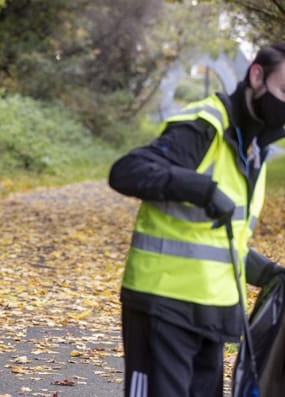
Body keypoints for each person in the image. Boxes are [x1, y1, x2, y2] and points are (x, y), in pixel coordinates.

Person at [108, 43, 285, 397]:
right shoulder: (207, 124)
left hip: (214, 315)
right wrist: (201, 188)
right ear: (257, 75)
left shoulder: (254, 151)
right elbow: (127, 171)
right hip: (162, 305)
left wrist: (267, 273)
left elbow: (222, 239)